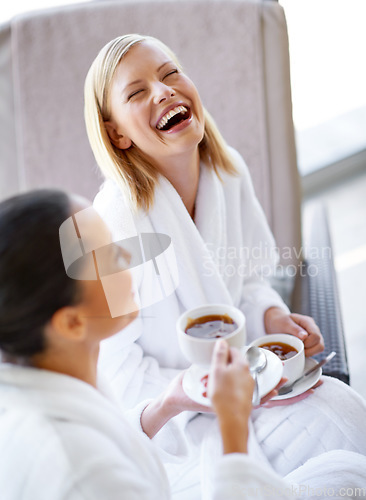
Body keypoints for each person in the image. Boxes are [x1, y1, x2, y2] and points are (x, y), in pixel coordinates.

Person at [84, 35, 366, 496]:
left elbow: (251, 278)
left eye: (171, 72)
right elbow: (115, 372)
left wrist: (273, 316)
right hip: (174, 436)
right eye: (137, 92)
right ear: (116, 133)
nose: (163, 90)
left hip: (249, 394)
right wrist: (191, 391)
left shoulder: (228, 173)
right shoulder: (111, 226)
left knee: (344, 411)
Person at [0, 188, 300, 500]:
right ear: (71, 323)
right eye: (109, 257)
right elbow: (100, 469)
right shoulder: (76, 470)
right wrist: (233, 426)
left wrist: (165, 404)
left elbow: (111, 446)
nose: (127, 257)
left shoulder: (55, 372)